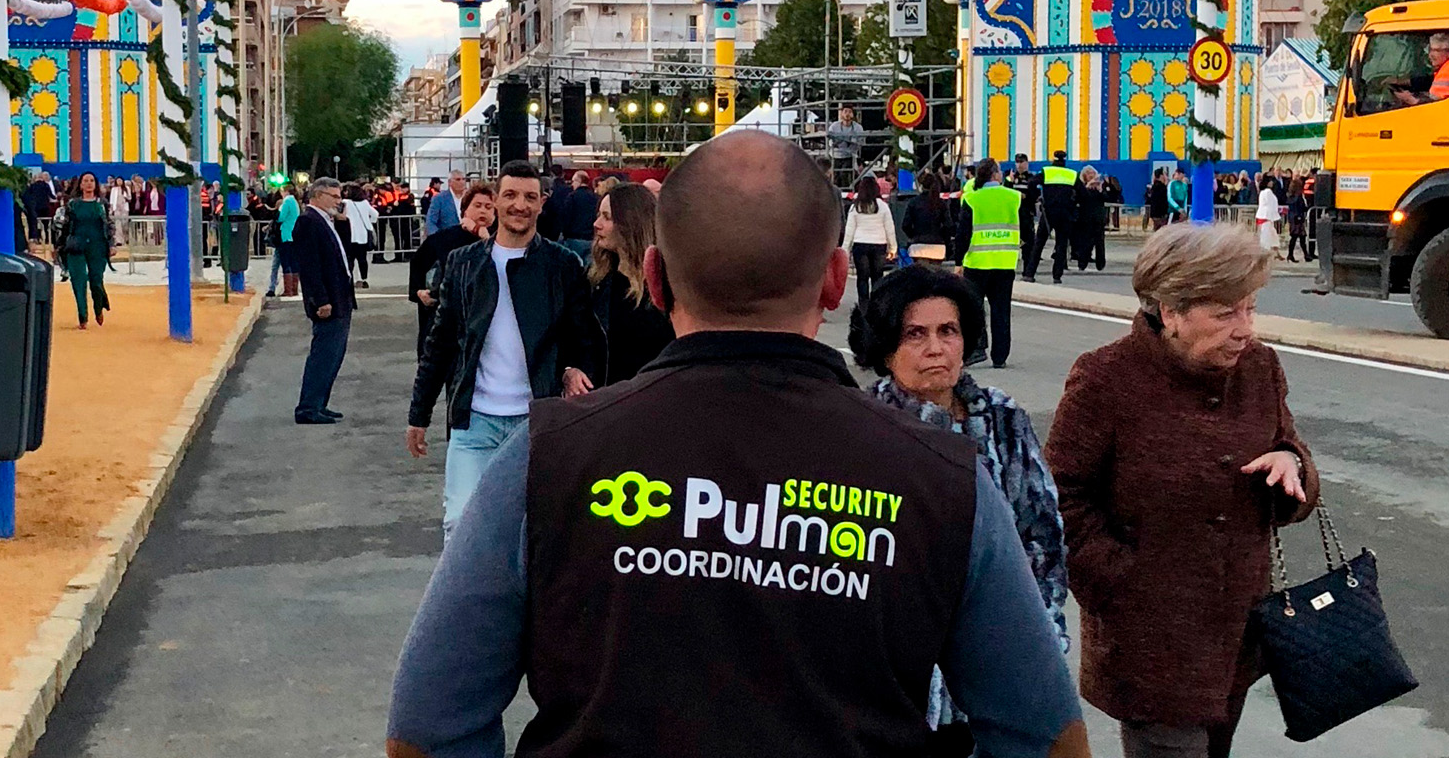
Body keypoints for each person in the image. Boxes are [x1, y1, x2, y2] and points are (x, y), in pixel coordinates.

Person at [387, 131, 1088, 758]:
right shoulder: (944, 477)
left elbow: (428, 723)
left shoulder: (548, 458)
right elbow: (1041, 730)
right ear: (837, 281)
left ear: (656, 279)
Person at [1045, 222, 1318, 758]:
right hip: (1148, 643)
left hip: (1235, 634)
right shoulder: (1105, 378)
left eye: (1250, 309)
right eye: (1225, 313)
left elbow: (1291, 451)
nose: (1245, 329)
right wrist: (1122, 584)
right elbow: (1060, 496)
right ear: (1170, 312)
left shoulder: (1260, 368)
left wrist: (1292, 467)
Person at [850, 265, 1070, 745]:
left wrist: (1042, 639)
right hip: (897, 681)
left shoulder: (1004, 418)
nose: (936, 348)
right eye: (915, 334)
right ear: (886, 348)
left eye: (948, 331)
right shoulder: (864, 428)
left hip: (997, 664)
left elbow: (1041, 537)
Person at [405, 160, 593, 536]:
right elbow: (440, 344)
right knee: (460, 524)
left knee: (533, 531)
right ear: (496, 201)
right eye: (510, 195)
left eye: (529, 197)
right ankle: (465, 597)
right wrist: (418, 413)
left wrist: (574, 368)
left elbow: (584, 335)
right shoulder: (463, 264)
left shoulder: (563, 265)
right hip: (474, 422)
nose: (519, 205)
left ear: (541, 203)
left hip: (535, 421)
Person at [572, 182, 673, 389]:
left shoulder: (668, 285)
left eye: (607, 217)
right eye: (599, 215)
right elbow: (578, 341)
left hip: (655, 400)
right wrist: (570, 370)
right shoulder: (594, 282)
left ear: (630, 223)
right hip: (607, 401)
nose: (596, 224)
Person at [291, 178, 354, 425]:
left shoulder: (327, 222)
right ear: (317, 195)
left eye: (340, 197)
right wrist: (320, 299)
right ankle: (308, 407)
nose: (338, 202)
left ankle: (320, 403)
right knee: (323, 354)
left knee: (334, 355)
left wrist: (344, 222)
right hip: (327, 300)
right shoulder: (308, 222)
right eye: (334, 197)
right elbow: (310, 266)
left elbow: (343, 254)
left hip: (341, 297)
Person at [408, 181, 496, 355]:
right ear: (465, 210)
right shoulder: (444, 238)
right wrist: (419, 291)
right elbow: (418, 263)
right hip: (446, 321)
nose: (483, 211)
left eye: (489, 207)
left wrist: (484, 236)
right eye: (477, 205)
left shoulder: (501, 241)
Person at [956, 157, 1023, 368]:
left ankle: (978, 348)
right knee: (1001, 310)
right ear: (995, 174)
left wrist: (959, 261)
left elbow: (963, 234)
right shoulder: (1013, 197)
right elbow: (1028, 225)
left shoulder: (972, 199)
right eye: (1000, 171)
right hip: (1005, 262)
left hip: (977, 262)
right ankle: (1000, 356)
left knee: (974, 308)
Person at [56, 172, 116, 329]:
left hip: (97, 246)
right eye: (85, 181)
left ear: (95, 184)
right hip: (76, 245)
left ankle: (99, 308)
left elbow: (108, 225)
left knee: (96, 281)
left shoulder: (102, 204)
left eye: (91, 181)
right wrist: (59, 246)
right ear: (80, 185)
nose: (89, 183)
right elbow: (65, 226)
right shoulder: (72, 204)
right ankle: (82, 316)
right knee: (78, 281)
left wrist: (111, 244)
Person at [842, 174, 897, 307]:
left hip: (860, 244)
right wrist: (893, 248)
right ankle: (877, 304)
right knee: (877, 277)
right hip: (879, 244)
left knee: (862, 277)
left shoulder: (856, 207)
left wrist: (845, 250)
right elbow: (890, 228)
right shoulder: (883, 206)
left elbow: (849, 231)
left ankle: (863, 305)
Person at [1028, 152, 1078, 284]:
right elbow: (1083, 193)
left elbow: (1031, 183)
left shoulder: (1047, 172)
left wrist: (1037, 196)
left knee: (1039, 244)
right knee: (1061, 245)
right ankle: (1057, 276)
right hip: (1065, 213)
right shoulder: (1071, 174)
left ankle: (1030, 273)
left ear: (1053, 159)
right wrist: (1073, 203)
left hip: (1048, 213)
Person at [901, 169, 957, 264]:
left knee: (920, 276)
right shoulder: (941, 204)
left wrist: (914, 235)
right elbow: (948, 226)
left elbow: (905, 225)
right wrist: (943, 238)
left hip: (918, 246)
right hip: (937, 247)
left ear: (922, 186)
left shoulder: (914, 202)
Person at [1394, 31, 1449, 106]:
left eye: (1436, 50)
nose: (1430, 55)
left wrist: (1411, 100)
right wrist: (1403, 82)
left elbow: (1437, 105)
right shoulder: (1447, 66)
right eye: (1430, 50)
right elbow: (1428, 81)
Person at [1005, 153, 1040, 267]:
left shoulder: (1031, 178)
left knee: (1028, 243)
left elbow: (1034, 195)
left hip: (1026, 213)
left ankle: (1027, 269)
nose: (1019, 165)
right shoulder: (1009, 177)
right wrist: (1010, 181)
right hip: (1013, 214)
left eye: (1022, 162)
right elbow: (1005, 193)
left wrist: (1023, 196)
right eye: (1017, 162)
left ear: (1027, 163)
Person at [1073, 166, 1109, 273]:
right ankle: (1082, 262)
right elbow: (1080, 198)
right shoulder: (1081, 187)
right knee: (1085, 242)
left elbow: (1106, 198)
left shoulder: (1099, 187)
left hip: (1098, 218)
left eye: (1093, 173)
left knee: (1100, 241)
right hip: (1086, 218)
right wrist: (1087, 187)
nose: (1092, 176)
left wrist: (1100, 190)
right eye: (1089, 173)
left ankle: (1101, 264)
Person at [343, 183, 379, 289]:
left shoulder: (346, 203)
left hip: (350, 235)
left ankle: (350, 279)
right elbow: (375, 214)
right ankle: (364, 279)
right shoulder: (365, 203)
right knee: (362, 259)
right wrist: (369, 223)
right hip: (362, 235)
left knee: (350, 259)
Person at [271, 185, 301, 300]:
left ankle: (288, 289)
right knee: (293, 262)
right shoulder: (295, 202)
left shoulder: (287, 201)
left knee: (286, 262)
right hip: (294, 234)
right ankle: (294, 288)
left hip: (286, 233)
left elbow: (281, 218)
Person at [426, 169, 469, 236]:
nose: (462, 182)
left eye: (463, 179)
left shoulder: (471, 197)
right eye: (458, 179)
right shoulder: (439, 198)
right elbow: (431, 221)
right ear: (449, 182)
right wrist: (436, 238)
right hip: (448, 240)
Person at [20, 170, 56, 247]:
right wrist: (56, 198)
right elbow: (51, 195)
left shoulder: (32, 186)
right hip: (45, 206)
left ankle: (38, 238)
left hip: (36, 207)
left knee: (37, 223)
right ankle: (47, 239)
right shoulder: (46, 185)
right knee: (46, 224)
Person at [828, 102, 865, 176]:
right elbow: (830, 142)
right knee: (835, 176)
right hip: (835, 155)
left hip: (850, 155)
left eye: (850, 112)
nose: (847, 114)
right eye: (845, 111)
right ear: (841, 113)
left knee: (845, 174)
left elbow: (860, 142)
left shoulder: (858, 128)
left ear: (853, 114)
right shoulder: (834, 126)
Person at [1285, 174, 1312, 263]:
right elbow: (1302, 207)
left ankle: (1294, 254)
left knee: (1296, 237)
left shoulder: (1289, 196)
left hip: (1292, 218)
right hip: (1298, 218)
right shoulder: (1299, 197)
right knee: (1300, 237)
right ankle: (1303, 255)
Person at [1255, 177, 1283, 260]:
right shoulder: (1268, 192)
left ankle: (1276, 252)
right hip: (1267, 216)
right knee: (1266, 236)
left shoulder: (1262, 192)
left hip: (1264, 216)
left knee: (1272, 235)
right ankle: (1265, 253)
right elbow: (1271, 204)